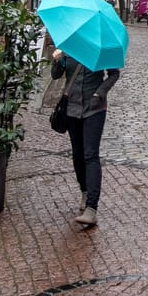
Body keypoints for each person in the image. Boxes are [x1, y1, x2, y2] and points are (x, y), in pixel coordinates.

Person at [51, 49, 120, 227]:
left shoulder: (103, 46)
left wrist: (100, 93)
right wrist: (57, 59)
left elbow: (114, 74)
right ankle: (84, 189)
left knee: (91, 154)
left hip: (94, 108)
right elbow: (56, 75)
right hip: (72, 108)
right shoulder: (69, 45)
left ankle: (91, 207)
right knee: (77, 153)